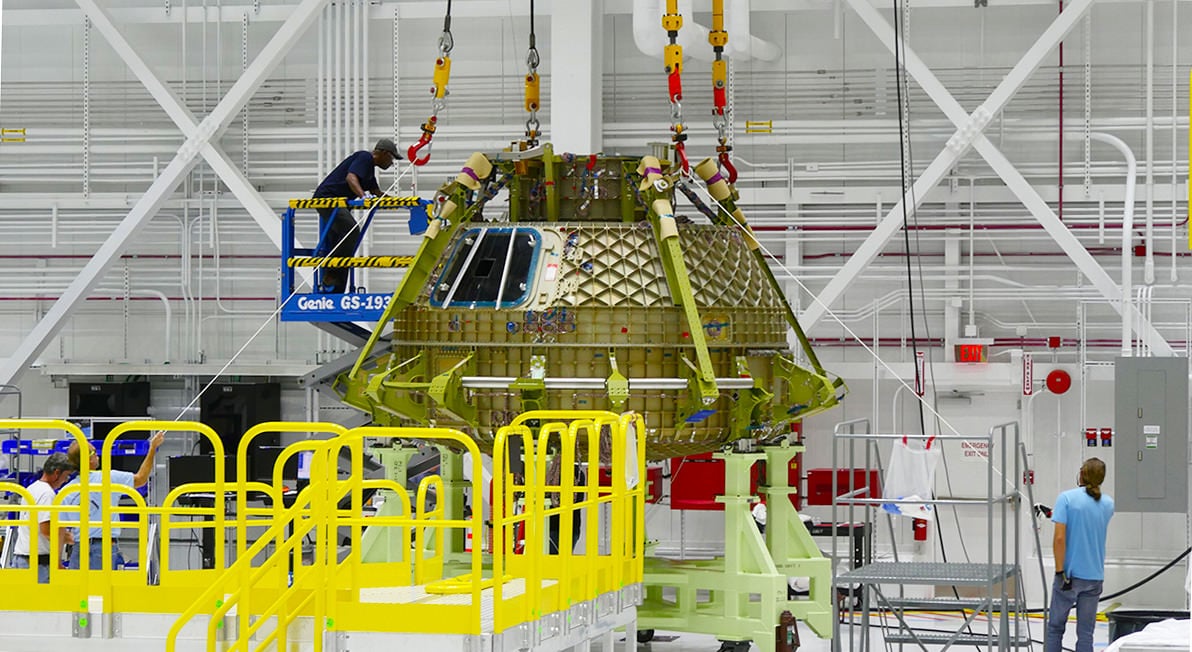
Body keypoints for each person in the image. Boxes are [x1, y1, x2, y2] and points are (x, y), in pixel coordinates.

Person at [61, 431, 164, 570]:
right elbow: (141, 479)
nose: (97, 455)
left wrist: (59, 558)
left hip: (78, 549)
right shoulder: (108, 478)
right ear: (88, 459)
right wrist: (152, 448)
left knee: (78, 585)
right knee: (103, 584)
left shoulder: (67, 491)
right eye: (94, 452)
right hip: (104, 548)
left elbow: (59, 529)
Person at [312, 138, 402, 293]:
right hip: (327, 200)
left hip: (340, 205)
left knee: (345, 246)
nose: (391, 163)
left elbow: (376, 192)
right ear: (384, 153)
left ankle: (336, 291)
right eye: (391, 158)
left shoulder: (369, 172)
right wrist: (363, 196)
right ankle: (331, 273)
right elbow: (351, 177)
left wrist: (396, 202)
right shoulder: (364, 157)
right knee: (352, 231)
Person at [1046, 457, 1114, 652]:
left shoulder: (1066, 499)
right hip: (1094, 576)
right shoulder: (1109, 504)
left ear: (1082, 474)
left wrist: (1060, 572)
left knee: (1055, 628)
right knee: (1086, 633)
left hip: (1069, 576)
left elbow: (1060, 539)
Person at [10, 453, 76, 583]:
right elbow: (46, 530)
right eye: (66, 476)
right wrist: (69, 538)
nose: (65, 480)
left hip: (22, 558)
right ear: (57, 473)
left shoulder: (32, 488)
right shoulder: (47, 494)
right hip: (37, 563)